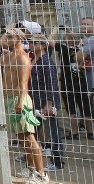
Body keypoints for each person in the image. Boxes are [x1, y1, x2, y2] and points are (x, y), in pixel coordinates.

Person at [1, 30, 47, 183]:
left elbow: (23, 84)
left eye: (10, 37)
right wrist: (6, 35)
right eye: (6, 36)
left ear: (19, 39)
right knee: (22, 138)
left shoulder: (23, 58)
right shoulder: (8, 56)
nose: (6, 39)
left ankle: (42, 174)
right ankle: (31, 169)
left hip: (19, 99)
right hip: (8, 99)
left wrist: (20, 102)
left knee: (29, 137)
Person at [30, 35, 64, 172]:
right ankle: (33, 157)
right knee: (34, 130)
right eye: (30, 42)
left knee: (54, 131)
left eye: (35, 42)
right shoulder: (35, 60)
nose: (32, 44)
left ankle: (58, 162)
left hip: (46, 101)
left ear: (43, 45)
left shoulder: (47, 62)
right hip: (36, 100)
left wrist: (49, 103)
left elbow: (52, 84)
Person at [78, 17, 94, 131]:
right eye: (82, 24)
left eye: (87, 24)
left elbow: (79, 56)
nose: (83, 26)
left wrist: (79, 62)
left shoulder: (93, 39)